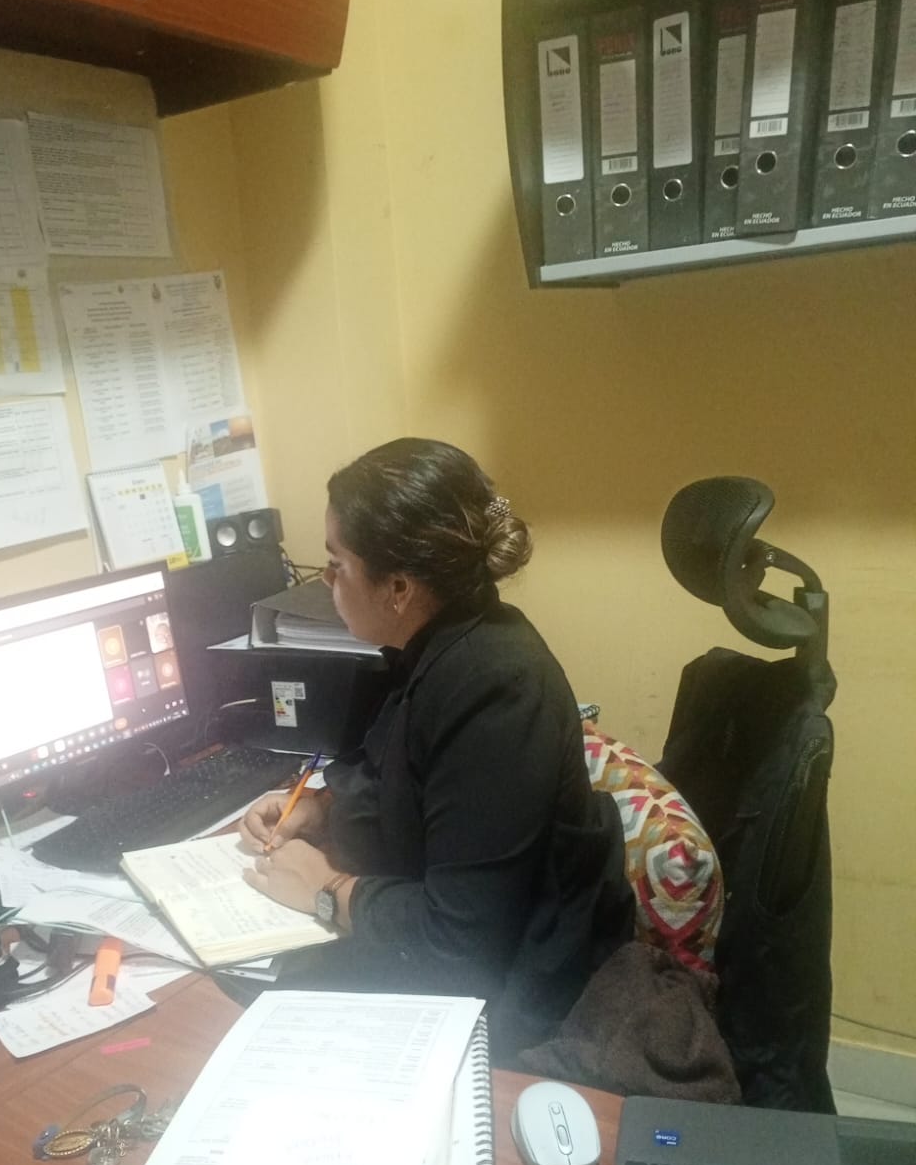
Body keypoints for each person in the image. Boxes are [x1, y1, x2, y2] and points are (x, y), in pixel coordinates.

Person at [240, 438, 632, 1063]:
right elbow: (406, 785)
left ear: (398, 587)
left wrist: (326, 889)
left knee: (255, 1033)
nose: (327, 582)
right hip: (439, 954)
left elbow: (460, 943)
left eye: (336, 565)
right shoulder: (439, 645)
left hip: (507, 998)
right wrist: (319, 810)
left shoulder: (495, 690)